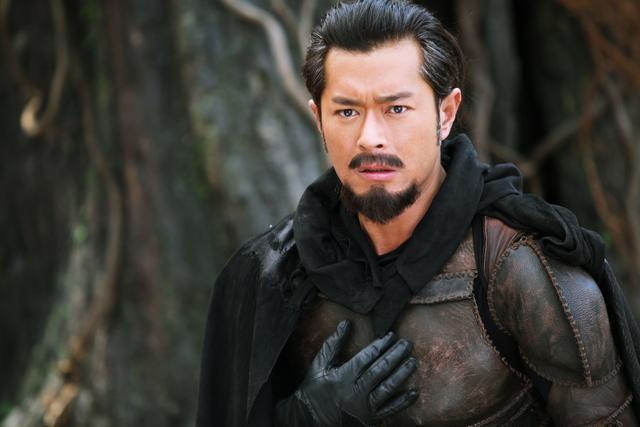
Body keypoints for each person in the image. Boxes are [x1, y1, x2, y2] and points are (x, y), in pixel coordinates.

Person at [196, 0, 640, 425]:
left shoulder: (524, 272)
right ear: (319, 120)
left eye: (396, 109)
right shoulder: (270, 275)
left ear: (445, 114)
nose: (370, 137)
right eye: (347, 111)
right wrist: (305, 418)